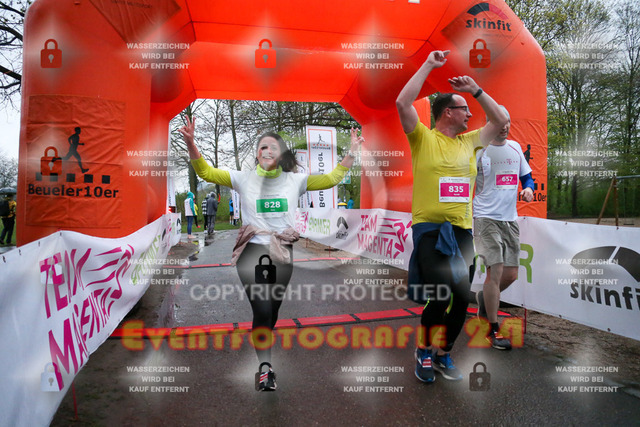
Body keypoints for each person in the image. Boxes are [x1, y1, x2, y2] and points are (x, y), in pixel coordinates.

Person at [179, 116, 362, 391]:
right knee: (262, 308)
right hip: (251, 251)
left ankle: (264, 336)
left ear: (282, 155)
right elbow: (205, 172)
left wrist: (351, 153)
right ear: (256, 154)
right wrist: (192, 143)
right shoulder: (242, 178)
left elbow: (332, 178)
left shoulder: (296, 180)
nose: (267, 151)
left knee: (272, 310)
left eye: (273, 147)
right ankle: (265, 367)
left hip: (282, 251)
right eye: (262, 147)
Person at [396, 50, 508, 383]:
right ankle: (424, 351)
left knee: (461, 297)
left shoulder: (472, 141)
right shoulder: (422, 138)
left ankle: (444, 353)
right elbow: (403, 103)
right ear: (449, 112)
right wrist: (429, 65)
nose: (471, 113)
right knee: (441, 291)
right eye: (465, 109)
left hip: (462, 231)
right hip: (429, 229)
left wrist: (476, 90)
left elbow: (500, 121)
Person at [473, 106, 534, 350]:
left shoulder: (516, 148)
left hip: (510, 219)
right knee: (495, 272)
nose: (505, 126)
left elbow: (526, 176)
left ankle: (482, 299)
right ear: (490, 123)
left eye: (508, 121)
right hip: (485, 218)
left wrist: (528, 188)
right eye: (500, 121)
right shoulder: (479, 149)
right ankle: (492, 329)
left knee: (511, 275)